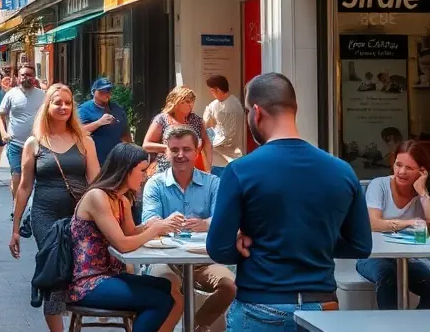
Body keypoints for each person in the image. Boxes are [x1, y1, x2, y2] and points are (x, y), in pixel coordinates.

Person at [207, 72, 372, 332]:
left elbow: (217, 248)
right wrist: (315, 238)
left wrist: (245, 244)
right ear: (293, 109)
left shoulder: (241, 171)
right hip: (323, 307)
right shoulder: (342, 171)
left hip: (260, 304)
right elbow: (361, 245)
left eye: (249, 110)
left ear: (257, 112)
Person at [62, 144, 184, 332]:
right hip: (88, 283)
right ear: (126, 169)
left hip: (111, 275)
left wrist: (153, 225)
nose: (145, 176)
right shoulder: (98, 197)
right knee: (159, 301)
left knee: (171, 291)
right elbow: (123, 245)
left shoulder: (121, 200)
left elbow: (129, 233)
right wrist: (154, 230)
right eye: (142, 170)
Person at [10, 83, 101, 332]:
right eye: (57, 102)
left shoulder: (85, 142)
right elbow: (24, 188)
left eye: (68, 103)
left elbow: (95, 182)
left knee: (78, 270)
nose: (63, 107)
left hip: (79, 217)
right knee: (54, 272)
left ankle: (75, 322)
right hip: (44, 217)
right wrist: (16, 227)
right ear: (47, 106)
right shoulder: (34, 143)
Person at [142, 126, 235, 331]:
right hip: (164, 259)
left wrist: (206, 224)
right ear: (166, 151)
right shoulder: (155, 184)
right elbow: (149, 221)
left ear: (197, 151)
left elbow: (223, 220)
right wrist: (165, 223)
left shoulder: (213, 183)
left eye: (186, 149)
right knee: (165, 287)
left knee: (230, 286)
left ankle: (196, 326)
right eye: (174, 150)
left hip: (203, 260)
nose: (180, 155)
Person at [355, 139, 430, 309]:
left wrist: (423, 193)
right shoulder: (379, 185)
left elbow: (428, 230)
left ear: (422, 171)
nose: (401, 172)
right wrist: (408, 223)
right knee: (389, 276)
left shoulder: (423, 194)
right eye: (398, 165)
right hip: (373, 257)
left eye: (409, 168)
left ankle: (416, 326)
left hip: (410, 259)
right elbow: (373, 223)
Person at [0, 64, 47, 215]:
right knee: (17, 175)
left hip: (36, 144)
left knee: (34, 177)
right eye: (23, 75)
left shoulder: (42, 95)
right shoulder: (11, 94)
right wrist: (3, 133)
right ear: (18, 77)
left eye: (29, 75)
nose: (26, 77)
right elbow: (0, 116)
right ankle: (17, 206)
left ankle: (32, 206)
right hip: (15, 143)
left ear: (34, 77)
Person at [143, 86, 212, 175]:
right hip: (165, 170)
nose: (191, 105)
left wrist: (209, 168)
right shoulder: (162, 119)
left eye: (192, 101)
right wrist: (167, 148)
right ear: (177, 102)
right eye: (187, 102)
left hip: (192, 171)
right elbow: (146, 145)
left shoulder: (196, 120)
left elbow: (207, 144)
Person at [78, 77, 132, 164]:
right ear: (93, 92)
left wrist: (128, 150)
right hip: (96, 159)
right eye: (102, 91)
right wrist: (99, 123)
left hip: (117, 159)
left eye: (109, 90)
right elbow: (79, 132)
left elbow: (125, 132)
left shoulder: (117, 108)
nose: (107, 93)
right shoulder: (84, 109)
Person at [202, 76, 246, 177]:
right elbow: (206, 124)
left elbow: (229, 136)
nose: (211, 93)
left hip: (230, 158)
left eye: (212, 91)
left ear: (218, 89)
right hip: (217, 158)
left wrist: (209, 144)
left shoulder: (232, 107)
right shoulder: (215, 104)